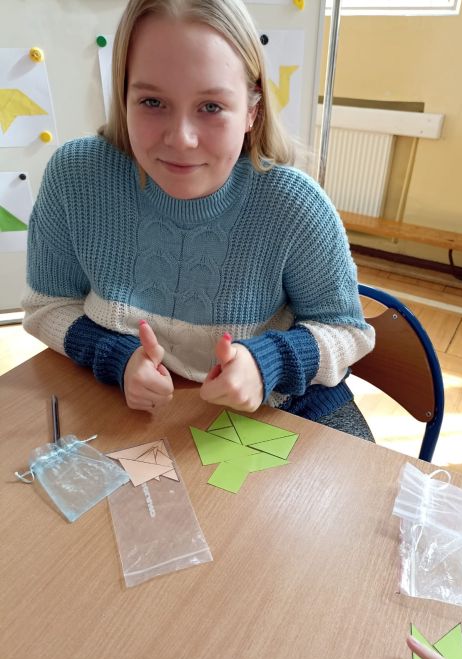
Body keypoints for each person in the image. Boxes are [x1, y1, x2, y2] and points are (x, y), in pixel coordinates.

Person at [22, 0, 375, 439]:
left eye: (211, 106)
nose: (181, 139)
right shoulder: (75, 177)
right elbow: (47, 306)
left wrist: (268, 363)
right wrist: (116, 356)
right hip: (130, 406)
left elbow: (347, 330)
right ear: (123, 97)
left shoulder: (295, 204)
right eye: (152, 101)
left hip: (285, 406)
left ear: (252, 111)